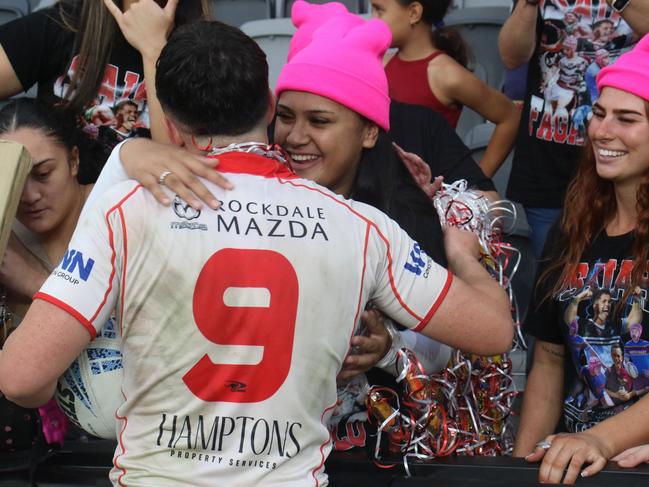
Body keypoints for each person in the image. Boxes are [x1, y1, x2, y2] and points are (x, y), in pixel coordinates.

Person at [0, 19, 513, 486]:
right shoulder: (360, 226)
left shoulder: (126, 210)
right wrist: (462, 252)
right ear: (269, 107)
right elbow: (493, 332)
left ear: (172, 126)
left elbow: (20, 378)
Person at [515, 34, 649, 484]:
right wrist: (518, 469)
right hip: (578, 458)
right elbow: (549, 361)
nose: (602, 131)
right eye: (598, 113)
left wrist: (602, 441)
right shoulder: (574, 227)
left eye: (626, 119)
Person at [498, 0, 649, 259]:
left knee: (625, 278)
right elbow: (512, 57)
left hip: (629, 168)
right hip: (548, 160)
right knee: (557, 279)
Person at [0, 0, 210, 182]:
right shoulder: (64, 24)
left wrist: (153, 48)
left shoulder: (210, 51)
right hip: (62, 215)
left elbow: (176, 165)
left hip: (143, 217)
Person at [370, 0, 520, 178]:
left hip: (426, 197)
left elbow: (510, 117)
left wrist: (476, 181)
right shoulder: (381, 64)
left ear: (413, 13)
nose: (372, 20)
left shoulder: (446, 74)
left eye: (380, 10)